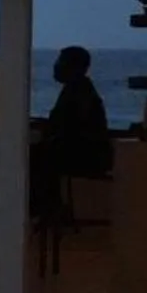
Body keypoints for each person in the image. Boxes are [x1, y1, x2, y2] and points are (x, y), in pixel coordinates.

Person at [32, 45, 113, 225]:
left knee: (36, 158)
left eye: (60, 62)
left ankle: (46, 210)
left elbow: (67, 127)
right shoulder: (78, 88)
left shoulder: (78, 91)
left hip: (84, 155)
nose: (55, 66)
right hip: (83, 152)